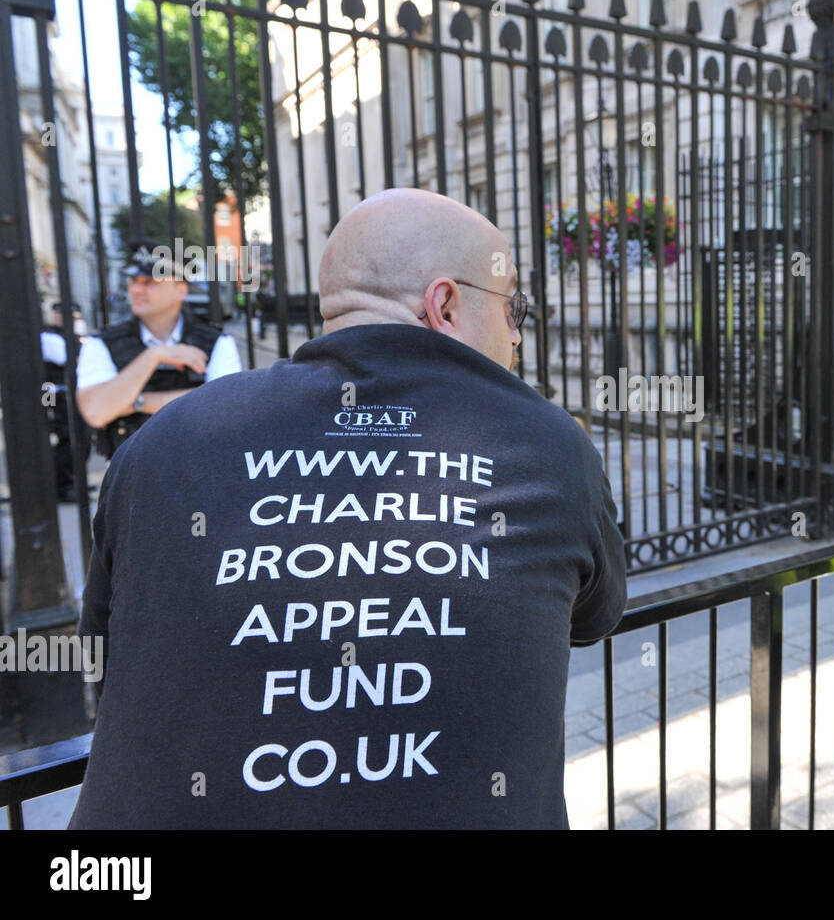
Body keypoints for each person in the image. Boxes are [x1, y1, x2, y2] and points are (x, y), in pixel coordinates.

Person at [70, 190, 627, 828]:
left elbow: (107, 654)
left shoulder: (165, 442)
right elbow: (594, 616)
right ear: (443, 303)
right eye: (514, 310)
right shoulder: (546, 444)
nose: (518, 340)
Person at [75, 243, 243, 457]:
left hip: (200, 468)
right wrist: (154, 355)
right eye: (134, 281)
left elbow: (227, 409)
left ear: (180, 289)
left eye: (150, 282)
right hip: (130, 473)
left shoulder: (217, 341)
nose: (136, 289)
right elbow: (97, 412)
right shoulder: (101, 343)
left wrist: (137, 402)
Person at [40, 301, 89, 501]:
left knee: (77, 436)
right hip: (51, 393)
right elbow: (67, 358)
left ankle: (73, 480)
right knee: (62, 435)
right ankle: (62, 484)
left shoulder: (75, 338)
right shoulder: (50, 336)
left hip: (69, 392)